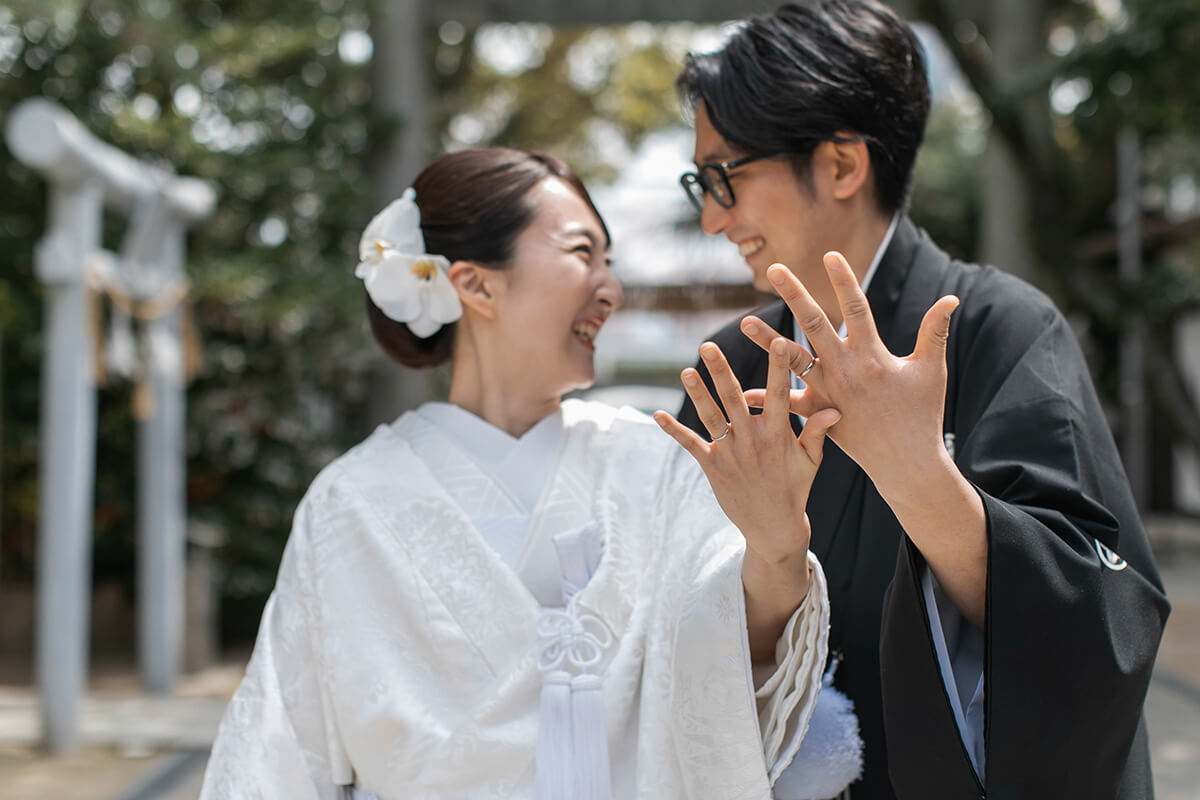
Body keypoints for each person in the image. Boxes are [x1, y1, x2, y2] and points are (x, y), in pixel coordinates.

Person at [199, 147, 865, 800]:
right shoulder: (350, 502)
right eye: (582, 253)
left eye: (611, 261)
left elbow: (729, 663)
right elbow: (283, 750)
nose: (611, 290)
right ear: (475, 284)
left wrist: (778, 546)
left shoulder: (653, 463)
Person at [669, 2, 1170, 798]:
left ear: (840, 165)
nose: (712, 215)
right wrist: (772, 562)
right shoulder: (736, 365)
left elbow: (1098, 620)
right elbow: (678, 646)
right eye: (703, 181)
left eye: (727, 176)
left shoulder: (998, 330)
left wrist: (917, 474)